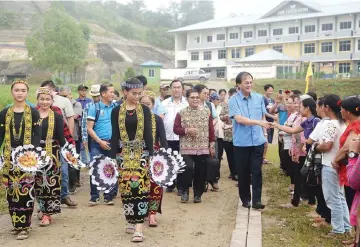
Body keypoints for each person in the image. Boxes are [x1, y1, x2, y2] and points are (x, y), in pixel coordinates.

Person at [110, 78, 153, 243]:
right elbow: (115, 135)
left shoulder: (144, 110)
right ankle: (130, 218)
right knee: (126, 188)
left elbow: (148, 133)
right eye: (134, 93)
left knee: (141, 188)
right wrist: (112, 156)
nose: (137, 96)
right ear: (125, 92)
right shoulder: (116, 111)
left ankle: (139, 226)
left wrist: (152, 154)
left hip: (141, 154)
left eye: (139, 93)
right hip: (123, 155)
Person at [0, 80, 41, 240]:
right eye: (16, 90)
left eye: (23, 90)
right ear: (12, 92)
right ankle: (16, 224)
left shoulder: (33, 112)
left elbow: (37, 135)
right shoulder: (4, 113)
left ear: (26, 93)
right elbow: (1, 136)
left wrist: (31, 153)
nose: (19, 93)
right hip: (10, 158)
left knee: (26, 191)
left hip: (27, 158)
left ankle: (24, 226)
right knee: (12, 192)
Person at [228, 71, 270, 209]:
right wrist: (258, 123)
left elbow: (263, 117)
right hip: (241, 143)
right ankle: (245, 199)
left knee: (257, 171)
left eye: (251, 82)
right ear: (239, 85)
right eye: (246, 82)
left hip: (257, 141)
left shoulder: (258, 98)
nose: (249, 85)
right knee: (243, 172)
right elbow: (239, 119)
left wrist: (264, 136)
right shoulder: (233, 100)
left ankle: (257, 200)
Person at [311, 94, 351, 237]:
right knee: (340, 197)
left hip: (329, 164)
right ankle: (346, 226)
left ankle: (338, 229)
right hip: (338, 164)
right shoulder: (342, 123)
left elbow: (327, 146)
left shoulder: (330, 124)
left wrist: (316, 147)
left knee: (332, 198)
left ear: (327, 107)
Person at [173, 89, 215, 203]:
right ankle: (185, 192)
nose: (195, 99)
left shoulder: (206, 112)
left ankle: (198, 194)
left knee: (200, 171)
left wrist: (211, 145)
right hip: (186, 147)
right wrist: (187, 130)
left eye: (197, 97)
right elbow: (175, 129)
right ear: (187, 99)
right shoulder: (181, 113)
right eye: (192, 97)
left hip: (202, 147)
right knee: (187, 168)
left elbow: (211, 129)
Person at [40, 80, 76, 207]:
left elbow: (65, 127)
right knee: (41, 178)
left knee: (62, 172)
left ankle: (63, 196)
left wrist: (70, 143)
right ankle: (43, 206)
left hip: (57, 147)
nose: (44, 98)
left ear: (53, 93)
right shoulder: (33, 112)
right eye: (41, 93)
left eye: (47, 92)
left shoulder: (58, 109)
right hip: (40, 151)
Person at [34, 87, 66, 226]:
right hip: (34, 154)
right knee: (37, 183)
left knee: (50, 182)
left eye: (48, 99)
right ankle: (42, 208)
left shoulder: (57, 117)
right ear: (38, 100)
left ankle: (47, 214)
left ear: (52, 100)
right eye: (42, 99)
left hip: (52, 152)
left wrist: (67, 152)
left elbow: (61, 137)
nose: (45, 102)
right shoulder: (32, 116)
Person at [87, 83, 118, 206]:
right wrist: (100, 141)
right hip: (97, 143)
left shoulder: (116, 107)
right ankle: (94, 196)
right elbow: (89, 128)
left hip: (112, 143)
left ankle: (108, 196)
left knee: (110, 169)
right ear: (103, 94)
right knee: (94, 168)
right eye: (110, 92)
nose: (113, 94)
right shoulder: (95, 108)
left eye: (113, 92)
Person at [140, 91, 167, 227]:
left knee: (156, 185)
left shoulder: (157, 119)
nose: (145, 106)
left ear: (153, 105)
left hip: (155, 157)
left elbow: (163, 139)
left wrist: (166, 156)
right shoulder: (134, 119)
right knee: (140, 185)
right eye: (142, 103)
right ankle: (142, 211)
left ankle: (152, 214)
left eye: (148, 104)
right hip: (138, 156)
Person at [333, 96, 360, 209]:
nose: (340, 111)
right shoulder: (352, 124)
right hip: (351, 167)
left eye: (342, 109)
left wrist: (335, 160)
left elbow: (347, 147)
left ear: (348, 112)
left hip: (353, 169)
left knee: (352, 202)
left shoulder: (356, 127)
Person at [162, 79, 188, 193]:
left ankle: (181, 186)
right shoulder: (164, 103)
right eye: (174, 87)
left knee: (182, 162)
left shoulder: (187, 103)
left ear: (182, 89)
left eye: (178, 87)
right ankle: (170, 183)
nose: (176, 89)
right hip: (167, 137)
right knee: (169, 161)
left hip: (183, 138)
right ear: (171, 89)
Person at [60, 86, 83, 192]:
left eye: (65, 95)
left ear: (70, 95)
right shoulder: (57, 105)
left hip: (74, 136)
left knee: (73, 159)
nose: (64, 98)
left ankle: (74, 181)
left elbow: (73, 116)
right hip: (61, 136)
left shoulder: (76, 104)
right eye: (61, 96)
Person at [220, 88, 237, 181]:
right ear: (229, 95)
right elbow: (220, 116)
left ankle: (238, 172)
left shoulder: (240, 105)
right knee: (230, 155)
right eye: (232, 96)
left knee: (237, 155)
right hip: (227, 135)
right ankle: (233, 172)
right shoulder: (225, 105)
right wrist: (224, 117)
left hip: (238, 135)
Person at [262, 84, 277, 164]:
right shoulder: (263, 99)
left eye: (272, 90)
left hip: (271, 122)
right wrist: (273, 117)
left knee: (268, 140)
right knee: (265, 141)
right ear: (266, 90)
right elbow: (264, 112)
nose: (271, 92)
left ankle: (263, 158)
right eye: (269, 90)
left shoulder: (272, 100)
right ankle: (262, 158)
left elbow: (273, 110)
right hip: (265, 122)